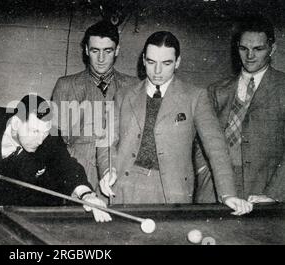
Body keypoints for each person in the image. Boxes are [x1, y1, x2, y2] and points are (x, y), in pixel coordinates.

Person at [97, 31, 253, 215]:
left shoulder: (195, 97)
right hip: (124, 186)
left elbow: (216, 148)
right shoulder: (123, 95)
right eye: (152, 62)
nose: (157, 71)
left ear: (177, 62)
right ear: (144, 60)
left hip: (171, 192)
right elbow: (106, 142)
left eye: (166, 63)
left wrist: (228, 195)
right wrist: (108, 170)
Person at [194, 15, 285, 203]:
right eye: (244, 48)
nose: (250, 56)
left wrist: (274, 195)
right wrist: (205, 178)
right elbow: (201, 142)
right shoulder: (217, 90)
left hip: (263, 193)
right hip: (217, 190)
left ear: (272, 49)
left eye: (258, 49)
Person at [0, 94, 112, 223]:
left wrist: (86, 195)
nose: (40, 141)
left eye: (44, 133)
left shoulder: (50, 137)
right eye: (35, 132)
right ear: (16, 123)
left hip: (20, 210)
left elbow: (66, 166)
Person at [51, 20, 137, 193]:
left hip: (120, 181)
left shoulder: (135, 87)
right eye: (95, 51)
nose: (101, 58)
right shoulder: (65, 86)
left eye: (108, 51)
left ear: (117, 50)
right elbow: (56, 141)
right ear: (86, 50)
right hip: (79, 180)